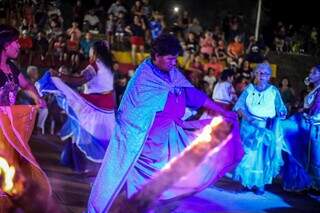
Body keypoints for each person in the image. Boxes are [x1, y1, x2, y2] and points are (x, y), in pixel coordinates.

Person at [88, 33, 244, 212]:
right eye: (170, 59)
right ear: (156, 57)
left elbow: (191, 95)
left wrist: (221, 111)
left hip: (167, 142)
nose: (174, 62)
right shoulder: (143, 78)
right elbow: (129, 114)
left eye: (176, 58)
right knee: (137, 191)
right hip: (142, 146)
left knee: (168, 185)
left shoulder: (172, 73)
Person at [0, 24, 57, 212]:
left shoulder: (11, 68)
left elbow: (26, 85)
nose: (19, 46)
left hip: (9, 125)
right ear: (5, 45)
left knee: (11, 163)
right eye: (15, 43)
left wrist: (37, 98)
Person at [38, 40, 115, 173]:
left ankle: (80, 167)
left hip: (94, 106)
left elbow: (79, 80)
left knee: (81, 133)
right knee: (90, 134)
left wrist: (59, 76)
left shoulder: (95, 66)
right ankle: (72, 162)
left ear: (95, 52)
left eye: (91, 50)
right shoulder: (109, 67)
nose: (89, 53)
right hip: (106, 108)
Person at [233, 63, 287, 194]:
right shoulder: (249, 89)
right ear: (255, 74)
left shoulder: (274, 91)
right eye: (259, 73)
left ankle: (260, 184)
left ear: (269, 76)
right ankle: (246, 181)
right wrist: (249, 119)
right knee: (248, 155)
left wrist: (282, 113)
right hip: (248, 127)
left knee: (262, 157)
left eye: (265, 73)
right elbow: (238, 107)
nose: (262, 76)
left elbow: (281, 108)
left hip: (265, 128)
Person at [281, 65, 320, 192]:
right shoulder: (315, 89)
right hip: (307, 123)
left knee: (308, 155)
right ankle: (301, 181)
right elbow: (310, 105)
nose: (311, 74)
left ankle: (309, 182)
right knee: (295, 150)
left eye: (314, 72)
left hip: (313, 126)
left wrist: (312, 117)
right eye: (310, 72)